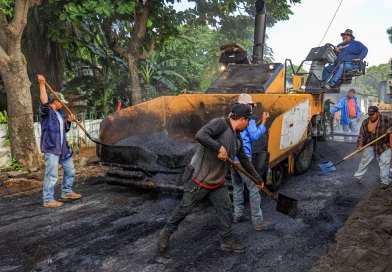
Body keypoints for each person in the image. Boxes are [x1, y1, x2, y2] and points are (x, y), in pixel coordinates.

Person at [157, 104, 265, 253]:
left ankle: (227, 241)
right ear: (242, 119)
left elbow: (245, 160)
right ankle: (166, 232)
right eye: (248, 121)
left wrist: (257, 179)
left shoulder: (237, 137)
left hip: (217, 181)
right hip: (199, 179)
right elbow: (200, 135)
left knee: (226, 209)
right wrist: (218, 148)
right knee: (185, 208)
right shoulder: (220, 124)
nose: (249, 124)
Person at [231, 94, 275, 231]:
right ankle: (258, 222)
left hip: (232, 159)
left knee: (237, 186)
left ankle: (237, 214)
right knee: (254, 189)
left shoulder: (230, 118)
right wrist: (264, 122)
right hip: (243, 160)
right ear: (247, 106)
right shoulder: (247, 120)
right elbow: (255, 136)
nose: (251, 109)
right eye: (250, 106)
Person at [38, 75, 82, 207]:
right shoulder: (47, 113)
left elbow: (63, 131)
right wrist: (42, 85)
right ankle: (48, 200)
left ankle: (66, 191)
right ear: (55, 101)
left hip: (62, 148)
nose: (63, 104)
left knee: (70, 170)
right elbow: (44, 102)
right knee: (51, 175)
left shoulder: (60, 114)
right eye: (61, 102)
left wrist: (68, 121)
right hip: (51, 147)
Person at [353, 106, 392, 189]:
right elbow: (361, 135)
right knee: (364, 162)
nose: (371, 116)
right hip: (370, 145)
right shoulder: (365, 122)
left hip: (383, 145)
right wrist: (360, 145)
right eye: (369, 114)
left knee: (384, 163)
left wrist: (391, 129)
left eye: (373, 114)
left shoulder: (386, 119)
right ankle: (357, 178)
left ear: (377, 113)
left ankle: (385, 182)